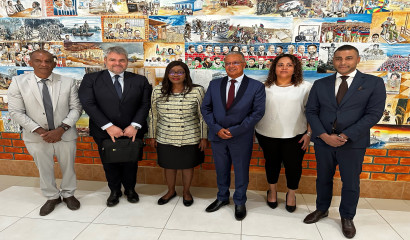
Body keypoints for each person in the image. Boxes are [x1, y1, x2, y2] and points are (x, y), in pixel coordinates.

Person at [303, 45, 386, 238]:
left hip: (352, 143)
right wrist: (323, 135)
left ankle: (347, 216)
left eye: (348, 58)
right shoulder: (321, 84)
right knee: (323, 178)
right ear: (333, 60)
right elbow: (311, 112)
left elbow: (373, 114)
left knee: (350, 182)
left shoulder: (373, 83)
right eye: (338, 58)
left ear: (357, 60)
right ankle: (322, 209)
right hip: (323, 141)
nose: (343, 62)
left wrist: (345, 136)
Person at [7, 50, 82, 216]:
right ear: (30, 62)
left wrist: (61, 129)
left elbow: (76, 108)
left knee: (68, 166)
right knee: (44, 167)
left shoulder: (68, 81)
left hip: (65, 134)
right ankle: (52, 196)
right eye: (39, 60)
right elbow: (15, 111)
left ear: (54, 63)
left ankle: (69, 194)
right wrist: (41, 131)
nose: (44, 64)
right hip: (36, 136)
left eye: (48, 61)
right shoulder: (19, 82)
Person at [78, 46, 152, 207]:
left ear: (127, 62)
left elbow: (145, 104)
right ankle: (114, 191)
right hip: (104, 131)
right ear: (105, 61)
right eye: (112, 60)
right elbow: (89, 104)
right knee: (109, 162)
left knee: (131, 162)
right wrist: (108, 126)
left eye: (121, 60)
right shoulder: (91, 79)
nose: (117, 63)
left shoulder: (140, 81)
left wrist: (135, 125)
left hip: (132, 131)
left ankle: (130, 190)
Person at [201, 52, 265, 221]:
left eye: (235, 62)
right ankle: (222, 197)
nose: (231, 66)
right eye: (227, 63)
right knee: (221, 169)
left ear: (244, 64)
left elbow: (257, 113)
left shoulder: (256, 86)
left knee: (241, 170)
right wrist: (216, 128)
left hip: (241, 137)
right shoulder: (214, 84)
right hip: (217, 136)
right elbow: (205, 109)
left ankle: (240, 201)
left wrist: (235, 130)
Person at [255, 54, 312, 213]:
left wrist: (309, 134)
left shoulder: (305, 87)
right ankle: (272, 191)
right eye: (280, 64)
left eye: (289, 65)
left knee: (293, 167)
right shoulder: (263, 87)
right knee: (271, 164)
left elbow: (311, 112)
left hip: (296, 136)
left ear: (295, 69)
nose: (284, 68)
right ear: (274, 68)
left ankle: (291, 194)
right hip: (266, 134)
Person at [147, 61, 208, 207]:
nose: (176, 75)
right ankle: (170, 191)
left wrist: (204, 136)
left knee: (187, 166)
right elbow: (154, 115)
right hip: (165, 135)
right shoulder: (157, 91)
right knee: (169, 166)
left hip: (190, 135)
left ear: (186, 74)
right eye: (172, 72)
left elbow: (202, 116)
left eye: (180, 71)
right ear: (167, 74)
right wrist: (152, 135)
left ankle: (186, 192)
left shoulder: (197, 91)